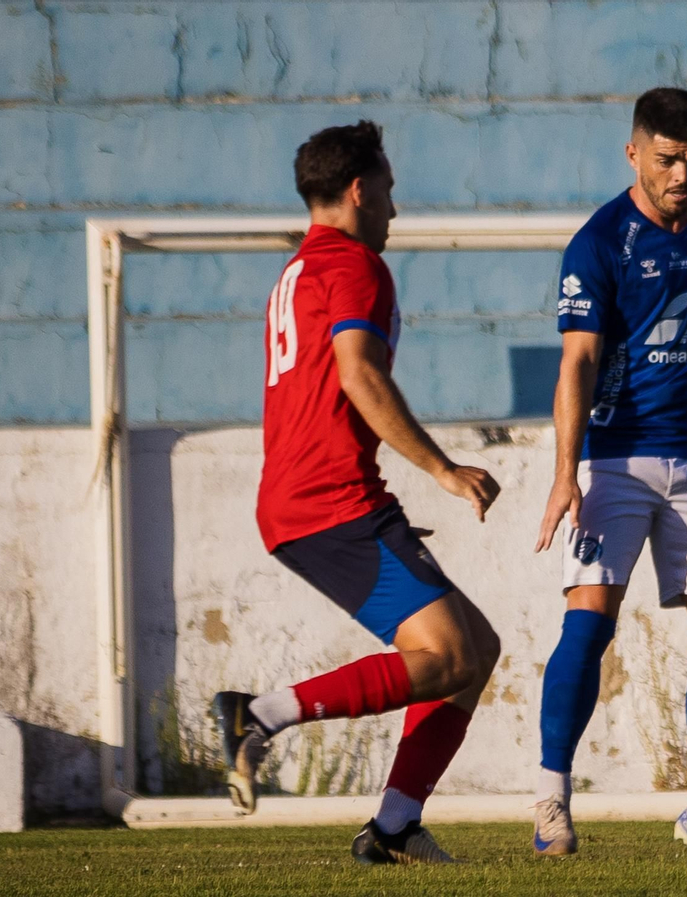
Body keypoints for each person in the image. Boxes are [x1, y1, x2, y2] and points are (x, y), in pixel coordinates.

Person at [211, 120, 502, 865]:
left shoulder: (301, 269)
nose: (395, 212)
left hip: (311, 499)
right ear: (359, 189)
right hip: (332, 500)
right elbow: (358, 375)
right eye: (391, 193)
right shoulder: (354, 265)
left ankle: (396, 826)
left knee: (476, 645)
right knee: (441, 656)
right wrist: (444, 470)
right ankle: (260, 715)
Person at [531, 87, 687, 857]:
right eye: (667, 159)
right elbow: (577, 363)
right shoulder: (598, 243)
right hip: (615, 456)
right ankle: (550, 803)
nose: (682, 174)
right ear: (634, 151)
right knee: (590, 620)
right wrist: (565, 471)